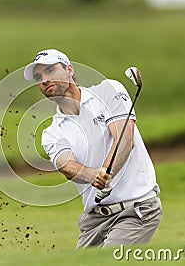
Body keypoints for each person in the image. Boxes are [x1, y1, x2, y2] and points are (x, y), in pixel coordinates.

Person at [23, 49, 162, 248]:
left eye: (50, 70)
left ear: (69, 70)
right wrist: (93, 176)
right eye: (39, 76)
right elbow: (67, 166)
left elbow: (125, 139)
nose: (45, 79)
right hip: (94, 221)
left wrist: (107, 172)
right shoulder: (52, 132)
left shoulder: (107, 91)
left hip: (136, 210)